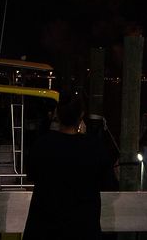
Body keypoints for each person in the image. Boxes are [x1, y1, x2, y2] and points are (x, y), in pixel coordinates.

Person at [22, 91, 117, 240]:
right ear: (81, 115)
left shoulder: (42, 144)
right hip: (82, 229)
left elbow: (31, 175)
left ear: (57, 115)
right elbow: (109, 184)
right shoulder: (95, 148)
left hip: (44, 228)